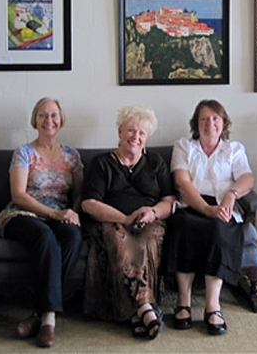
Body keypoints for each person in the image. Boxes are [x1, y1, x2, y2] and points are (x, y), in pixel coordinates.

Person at [81, 105, 175, 340]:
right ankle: (145, 307)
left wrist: (152, 212)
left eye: (142, 133)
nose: (136, 137)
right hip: (112, 220)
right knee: (121, 242)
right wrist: (123, 218)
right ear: (120, 131)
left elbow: (169, 200)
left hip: (148, 220)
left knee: (147, 243)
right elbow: (89, 203)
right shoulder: (102, 163)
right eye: (131, 130)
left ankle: (135, 315)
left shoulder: (156, 162)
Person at [0, 97, 83, 348]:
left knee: (73, 236)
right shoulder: (24, 153)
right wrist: (55, 215)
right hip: (23, 214)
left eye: (54, 115)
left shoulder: (72, 156)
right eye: (43, 115)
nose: (49, 120)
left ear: (61, 120)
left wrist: (73, 212)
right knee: (45, 237)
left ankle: (39, 312)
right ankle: (48, 321)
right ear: (35, 120)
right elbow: (19, 195)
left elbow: (78, 193)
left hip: (59, 214)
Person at [164, 99, 255, 336]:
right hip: (192, 204)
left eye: (215, 118)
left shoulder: (234, 149)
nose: (209, 123)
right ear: (196, 123)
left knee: (219, 228)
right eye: (204, 118)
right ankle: (183, 301)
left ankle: (212, 305)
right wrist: (206, 208)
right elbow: (182, 184)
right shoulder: (184, 146)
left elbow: (247, 178)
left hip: (224, 206)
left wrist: (231, 195)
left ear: (223, 122)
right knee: (182, 224)